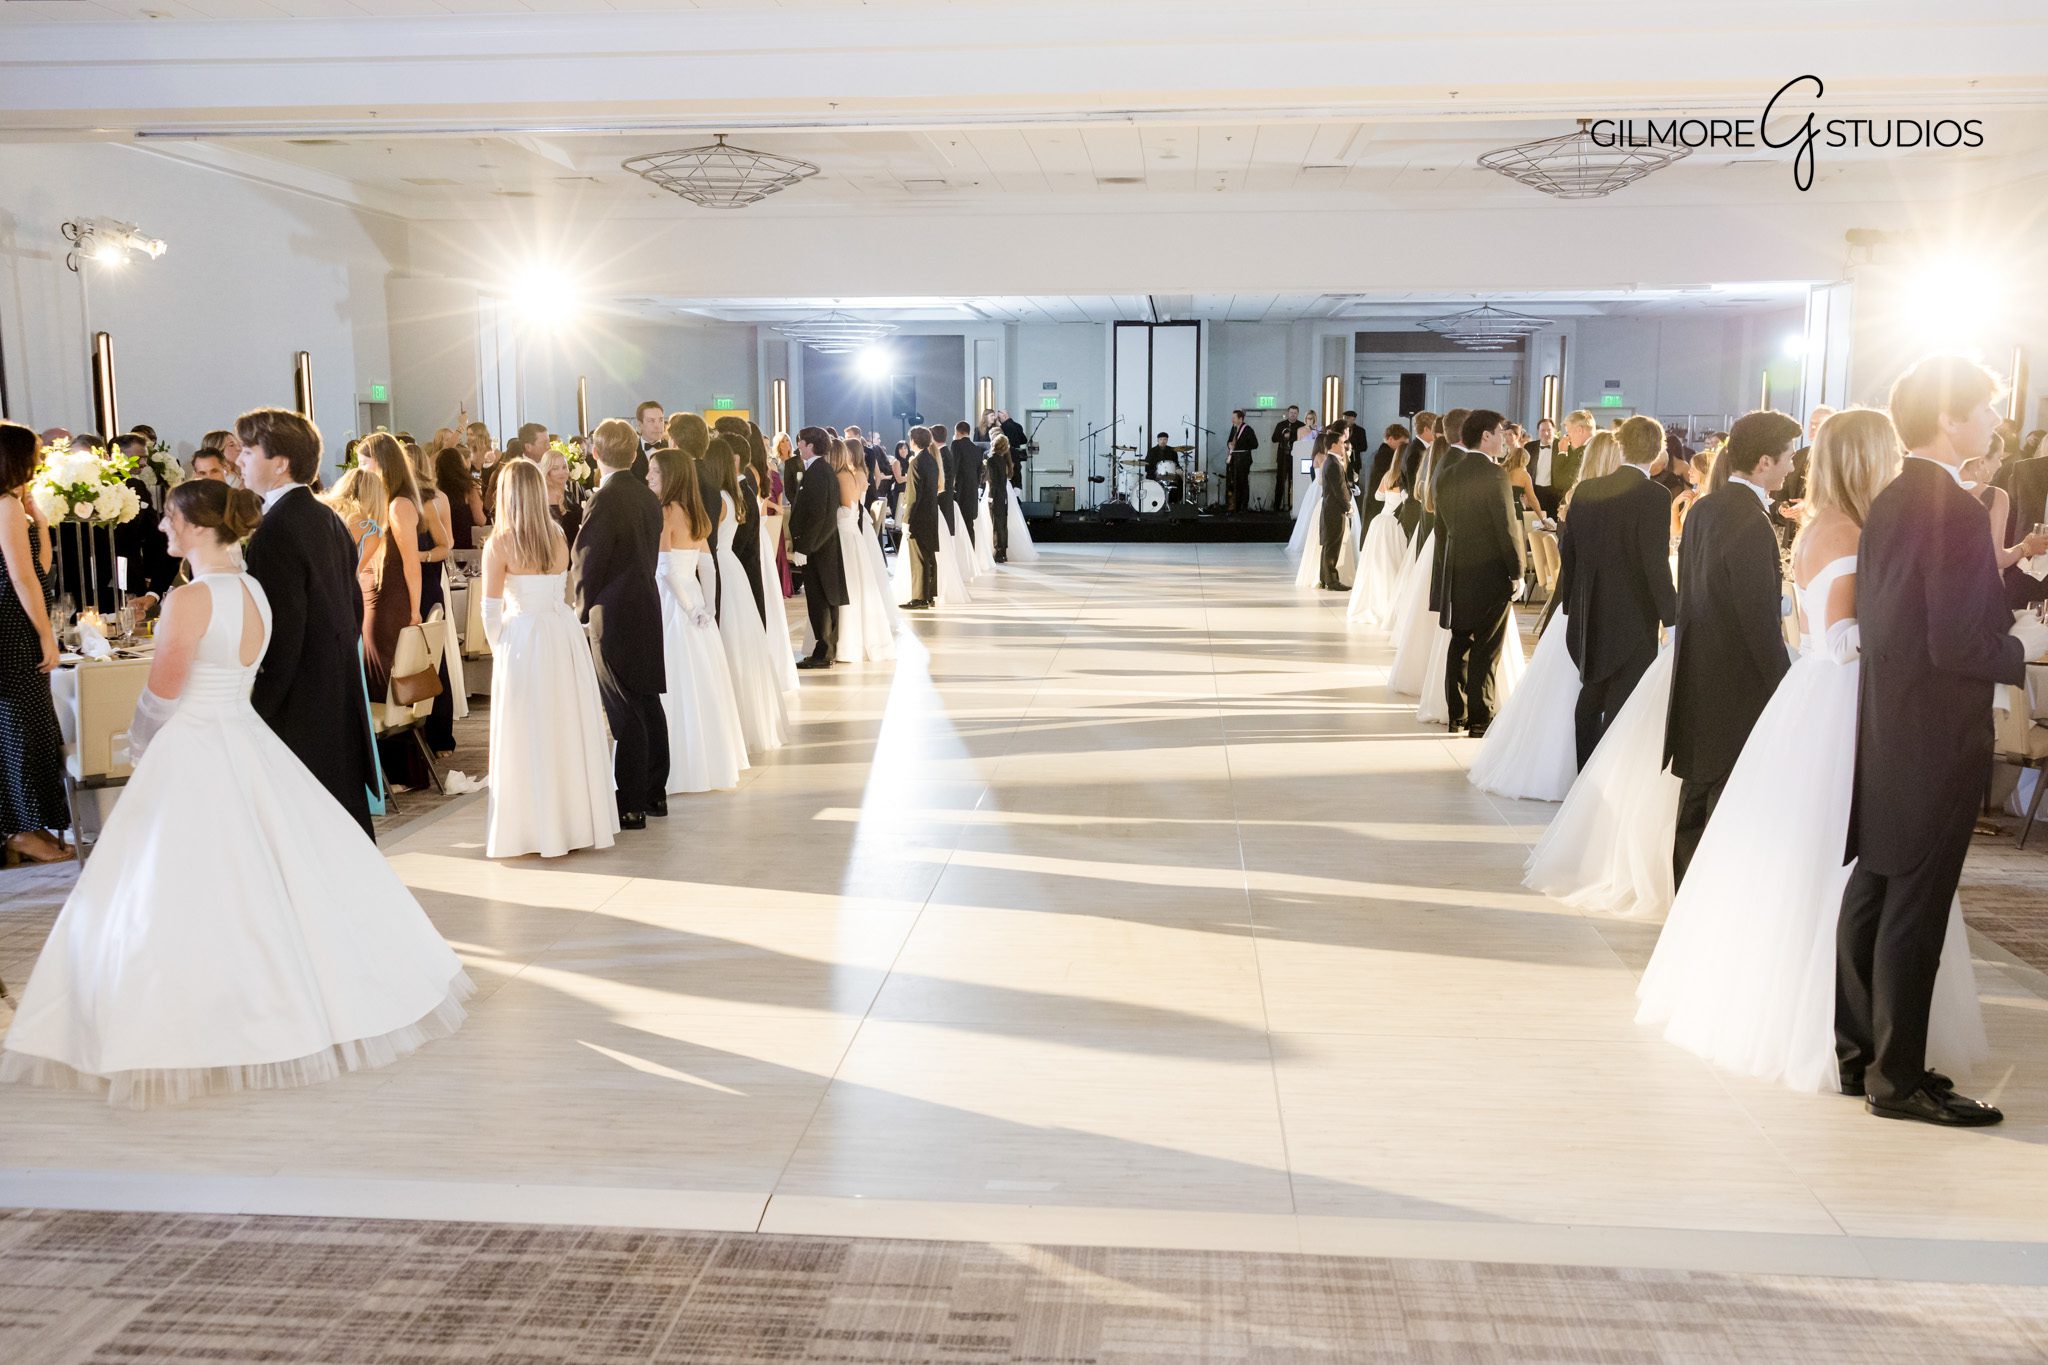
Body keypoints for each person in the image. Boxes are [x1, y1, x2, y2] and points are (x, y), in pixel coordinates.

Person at [0, 476, 471, 1107]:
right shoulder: (252, 590)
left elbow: (163, 693)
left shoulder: (191, 600)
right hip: (243, 735)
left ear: (195, 527)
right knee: (259, 877)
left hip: (194, 742)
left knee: (177, 887)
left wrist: (136, 748)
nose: (162, 528)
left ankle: (192, 1016)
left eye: (169, 519)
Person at [1639, 407, 1988, 1101]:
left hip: (1819, 697)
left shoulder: (1819, 526)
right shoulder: (1851, 531)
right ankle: (1849, 1028)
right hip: (1851, 697)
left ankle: (1859, 1032)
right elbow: (1844, 637)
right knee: (1857, 862)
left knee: (1838, 862)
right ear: (1868, 461)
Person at [1837, 358, 2048, 1126]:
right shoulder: (1954, 508)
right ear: (1951, 418)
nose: (1994, 421)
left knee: (1876, 887)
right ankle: (1898, 1079)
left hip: (1890, 719)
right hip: (1938, 726)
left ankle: (1860, 1057)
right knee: (1914, 905)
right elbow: (1958, 641)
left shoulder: (1891, 496)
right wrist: (2020, 650)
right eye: (1986, 409)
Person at [1664, 409, 1801, 888]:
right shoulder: (1749, 517)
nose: (1790, 468)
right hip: (1736, 682)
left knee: (1697, 799)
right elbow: (1757, 618)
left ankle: (1686, 896)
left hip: (1700, 669)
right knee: (1725, 799)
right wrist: (1785, 685)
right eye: (1787, 458)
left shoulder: (1705, 506)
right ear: (1764, 462)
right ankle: (1708, 900)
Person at [237, 409, 376, 837]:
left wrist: (260, 707)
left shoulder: (275, 530)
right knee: (337, 820)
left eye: (247, 450)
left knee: (307, 826)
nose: (238, 459)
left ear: (280, 463)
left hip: (298, 700)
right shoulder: (326, 516)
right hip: (334, 686)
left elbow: (282, 632)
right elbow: (352, 608)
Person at [475, 459, 618, 856]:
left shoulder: (500, 542)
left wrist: (499, 646)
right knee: (565, 725)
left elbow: (488, 611)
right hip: (561, 635)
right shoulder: (556, 534)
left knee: (529, 730)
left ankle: (532, 827)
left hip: (524, 638)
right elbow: (565, 592)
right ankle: (572, 822)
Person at [1557, 415, 1679, 769]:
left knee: (1590, 693)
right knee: (1624, 701)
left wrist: (1572, 603)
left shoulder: (1587, 490)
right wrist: (1670, 620)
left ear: (1620, 446)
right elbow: (1654, 563)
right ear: (1658, 451)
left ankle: (1585, 773)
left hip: (1589, 607)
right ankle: (1611, 773)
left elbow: (1570, 551)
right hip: (1634, 614)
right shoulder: (1655, 495)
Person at [571, 418, 668, 831]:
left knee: (623, 707)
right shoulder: (647, 496)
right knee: (646, 701)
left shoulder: (605, 498)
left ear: (595, 453)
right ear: (634, 454)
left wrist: (579, 607)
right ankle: (653, 793)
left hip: (612, 612)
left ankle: (630, 803)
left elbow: (587, 560)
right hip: (645, 602)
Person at [646, 448, 747, 795]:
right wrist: (707, 608)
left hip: (673, 603)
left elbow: (664, 571)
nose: (648, 478)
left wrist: (690, 609)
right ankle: (708, 758)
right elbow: (707, 566)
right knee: (702, 681)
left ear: (670, 477)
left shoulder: (664, 512)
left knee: (673, 680)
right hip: (696, 605)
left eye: (654, 473)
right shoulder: (694, 511)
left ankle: (675, 764)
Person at [0, 423, 70, 865]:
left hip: (17, 620)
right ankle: (21, 831)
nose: (40, 460)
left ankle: (29, 824)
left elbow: (38, 572)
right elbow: (23, 579)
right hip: (12, 627)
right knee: (22, 728)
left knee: (29, 725)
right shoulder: (4, 504)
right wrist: (47, 635)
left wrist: (40, 521)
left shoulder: (12, 504)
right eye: (36, 453)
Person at [1435, 410, 1527, 737]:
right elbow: (1507, 528)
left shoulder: (1447, 473)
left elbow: (1442, 524)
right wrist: (1517, 571)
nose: (1505, 439)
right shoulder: (1495, 475)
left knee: (1460, 640)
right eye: (1501, 433)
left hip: (1458, 568)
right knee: (1487, 648)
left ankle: (1456, 714)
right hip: (1491, 573)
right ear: (1485, 436)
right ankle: (1480, 716)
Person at [702, 431, 789, 752]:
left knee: (729, 641)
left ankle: (732, 716)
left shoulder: (720, 499)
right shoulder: (736, 494)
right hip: (734, 569)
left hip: (724, 565)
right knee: (739, 641)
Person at [831, 438, 900, 662]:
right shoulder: (858, 473)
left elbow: (849, 506)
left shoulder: (850, 476)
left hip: (851, 527)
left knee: (856, 581)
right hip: (856, 526)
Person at [790, 426, 847, 667]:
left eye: (801, 442)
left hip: (818, 550)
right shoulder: (820, 470)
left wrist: (805, 548)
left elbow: (819, 516)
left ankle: (823, 652)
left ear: (811, 445)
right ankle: (825, 649)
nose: (798, 446)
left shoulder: (818, 473)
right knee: (822, 599)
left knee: (820, 600)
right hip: (820, 547)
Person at [901, 426, 942, 610]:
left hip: (919, 516)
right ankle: (929, 595)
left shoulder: (916, 462)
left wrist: (906, 519)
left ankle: (919, 598)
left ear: (913, 441)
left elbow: (913, 496)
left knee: (918, 559)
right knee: (928, 557)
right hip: (930, 514)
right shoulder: (931, 460)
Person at [1315, 430, 1350, 592]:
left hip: (1330, 508)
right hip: (1334, 509)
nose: (1344, 446)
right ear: (1334, 444)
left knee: (1329, 543)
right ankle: (1332, 580)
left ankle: (1324, 578)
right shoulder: (1333, 463)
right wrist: (1348, 506)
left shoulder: (1331, 461)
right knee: (1333, 545)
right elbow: (1339, 489)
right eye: (1342, 443)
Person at [949, 422, 985, 567]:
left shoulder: (956, 445)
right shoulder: (977, 449)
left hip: (959, 490)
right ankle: (971, 557)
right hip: (972, 491)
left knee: (957, 524)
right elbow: (979, 473)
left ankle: (959, 557)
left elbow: (954, 468)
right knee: (969, 525)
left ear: (957, 432)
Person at [436, 447, 484, 551]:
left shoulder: (436, 490)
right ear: (460, 465)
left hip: (441, 544)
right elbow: (480, 520)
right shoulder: (468, 488)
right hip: (465, 544)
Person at [538, 444, 581, 548]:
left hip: (573, 549)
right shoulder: (547, 496)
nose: (562, 472)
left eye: (564, 467)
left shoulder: (568, 494)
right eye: (555, 468)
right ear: (547, 471)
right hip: (558, 552)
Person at [1270, 405, 1304, 514]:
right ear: (1288, 413)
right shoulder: (1281, 425)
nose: (1293, 414)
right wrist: (1284, 437)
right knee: (1280, 482)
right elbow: (1274, 438)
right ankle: (1277, 506)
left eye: (1295, 413)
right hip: (1282, 457)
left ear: (1297, 414)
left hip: (1295, 457)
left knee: (1294, 482)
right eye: (1291, 412)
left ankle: (1293, 505)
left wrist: (1292, 437)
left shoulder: (1301, 426)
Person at [1224, 409, 1257, 513]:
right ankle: (1234, 505)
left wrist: (1240, 445)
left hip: (1243, 459)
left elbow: (1255, 444)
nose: (1232, 420)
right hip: (1234, 458)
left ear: (1240, 419)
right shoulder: (1233, 429)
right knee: (1234, 482)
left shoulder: (1248, 429)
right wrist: (1229, 444)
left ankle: (1244, 506)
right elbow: (1229, 441)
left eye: (1234, 418)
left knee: (1243, 482)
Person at [987, 436, 1013, 563]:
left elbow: (992, 481)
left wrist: (990, 497)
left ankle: (998, 552)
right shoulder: (1003, 460)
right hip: (1003, 495)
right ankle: (1003, 551)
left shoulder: (992, 460)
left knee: (996, 524)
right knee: (1002, 524)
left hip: (995, 495)